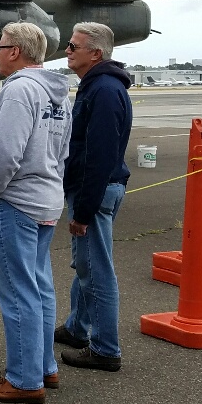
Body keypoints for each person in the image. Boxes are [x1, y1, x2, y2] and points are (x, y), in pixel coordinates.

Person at [0, 22, 72, 404]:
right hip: (46, 197)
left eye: (0, 47)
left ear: (15, 51)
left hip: (14, 201)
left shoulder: (19, 91)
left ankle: (25, 379)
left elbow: (4, 154)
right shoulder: (59, 95)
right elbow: (62, 151)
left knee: (17, 292)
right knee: (39, 286)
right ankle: (44, 365)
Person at [55, 22, 133, 372]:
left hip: (96, 193)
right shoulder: (99, 86)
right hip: (100, 189)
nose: (67, 50)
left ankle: (105, 349)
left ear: (95, 53)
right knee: (86, 264)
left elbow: (99, 156)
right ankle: (76, 328)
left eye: (73, 46)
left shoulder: (102, 90)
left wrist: (82, 212)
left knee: (96, 271)